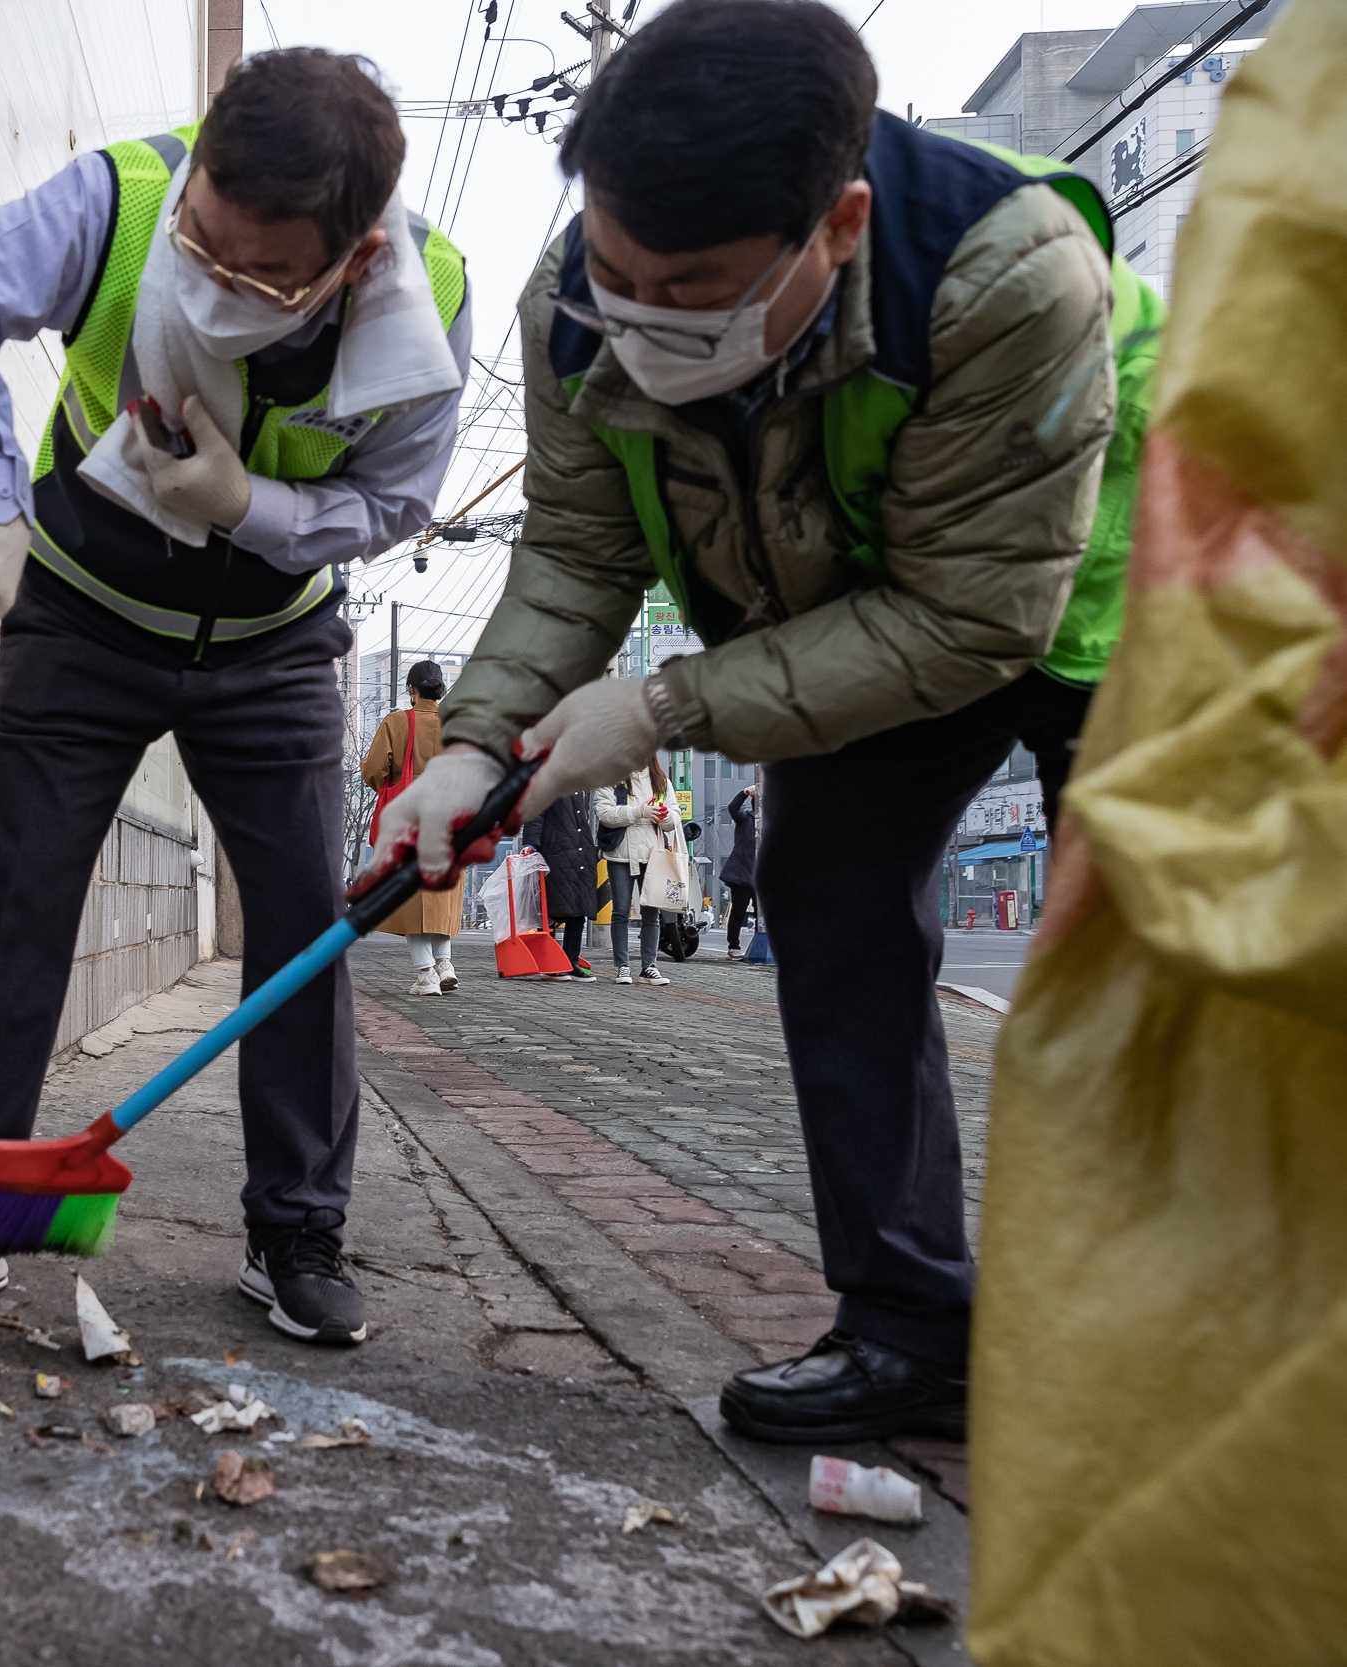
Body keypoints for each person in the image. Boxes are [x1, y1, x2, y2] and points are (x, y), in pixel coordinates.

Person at [372, 0, 1157, 1439]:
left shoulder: (1007, 281)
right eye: (619, 276)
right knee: (829, 891)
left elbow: (976, 616)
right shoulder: (579, 303)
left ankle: (1187, 1348)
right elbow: (575, 551)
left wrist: (669, 702)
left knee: (1151, 952)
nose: (645, 322)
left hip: (1091, 586)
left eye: (693, 289)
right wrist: (481, 744)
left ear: (840, 225)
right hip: (841, 612)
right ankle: (912, 1322)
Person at [0, 48, 473, 1345]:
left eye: (257, 275)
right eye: (203, 238)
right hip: (82, 611)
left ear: (352, 260)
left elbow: (399, 501)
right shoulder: (127, 197)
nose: (208, 276)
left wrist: (254, 508)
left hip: (274, 648)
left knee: (307, 923)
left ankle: (295, 1228)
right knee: (24, 896)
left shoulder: (431, 307)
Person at [360, 661, 463, 993]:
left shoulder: (397, 722)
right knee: (440, 893)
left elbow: (376, 771)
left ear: (411, 690)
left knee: (411, 894)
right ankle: (445, 963)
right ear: (441, 690)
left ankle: (426, 974)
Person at [592, 757, 680, 987]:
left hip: (653, 855)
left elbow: (675, 816)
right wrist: (640, 811)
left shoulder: (661, 781)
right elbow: (604, 813)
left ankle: (649, 966)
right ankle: (622, 965)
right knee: (620, 911)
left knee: (651, 913)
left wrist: (665, 816)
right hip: (620, 854)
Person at [519, 789, 597, 981]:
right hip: (556, 853)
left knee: (579, 910)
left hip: (580, 853)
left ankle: (571, 962)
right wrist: (530, 843)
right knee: (550, 911)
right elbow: (535, 813)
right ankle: (550, 962)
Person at [720, 782, 758, 958]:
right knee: (738, 911)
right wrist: (746, 792)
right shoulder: (745, 819)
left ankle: (766, 943)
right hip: (741, 874)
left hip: (761, 876)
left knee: (764, 914)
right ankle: (733, 946)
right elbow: (732, 807)